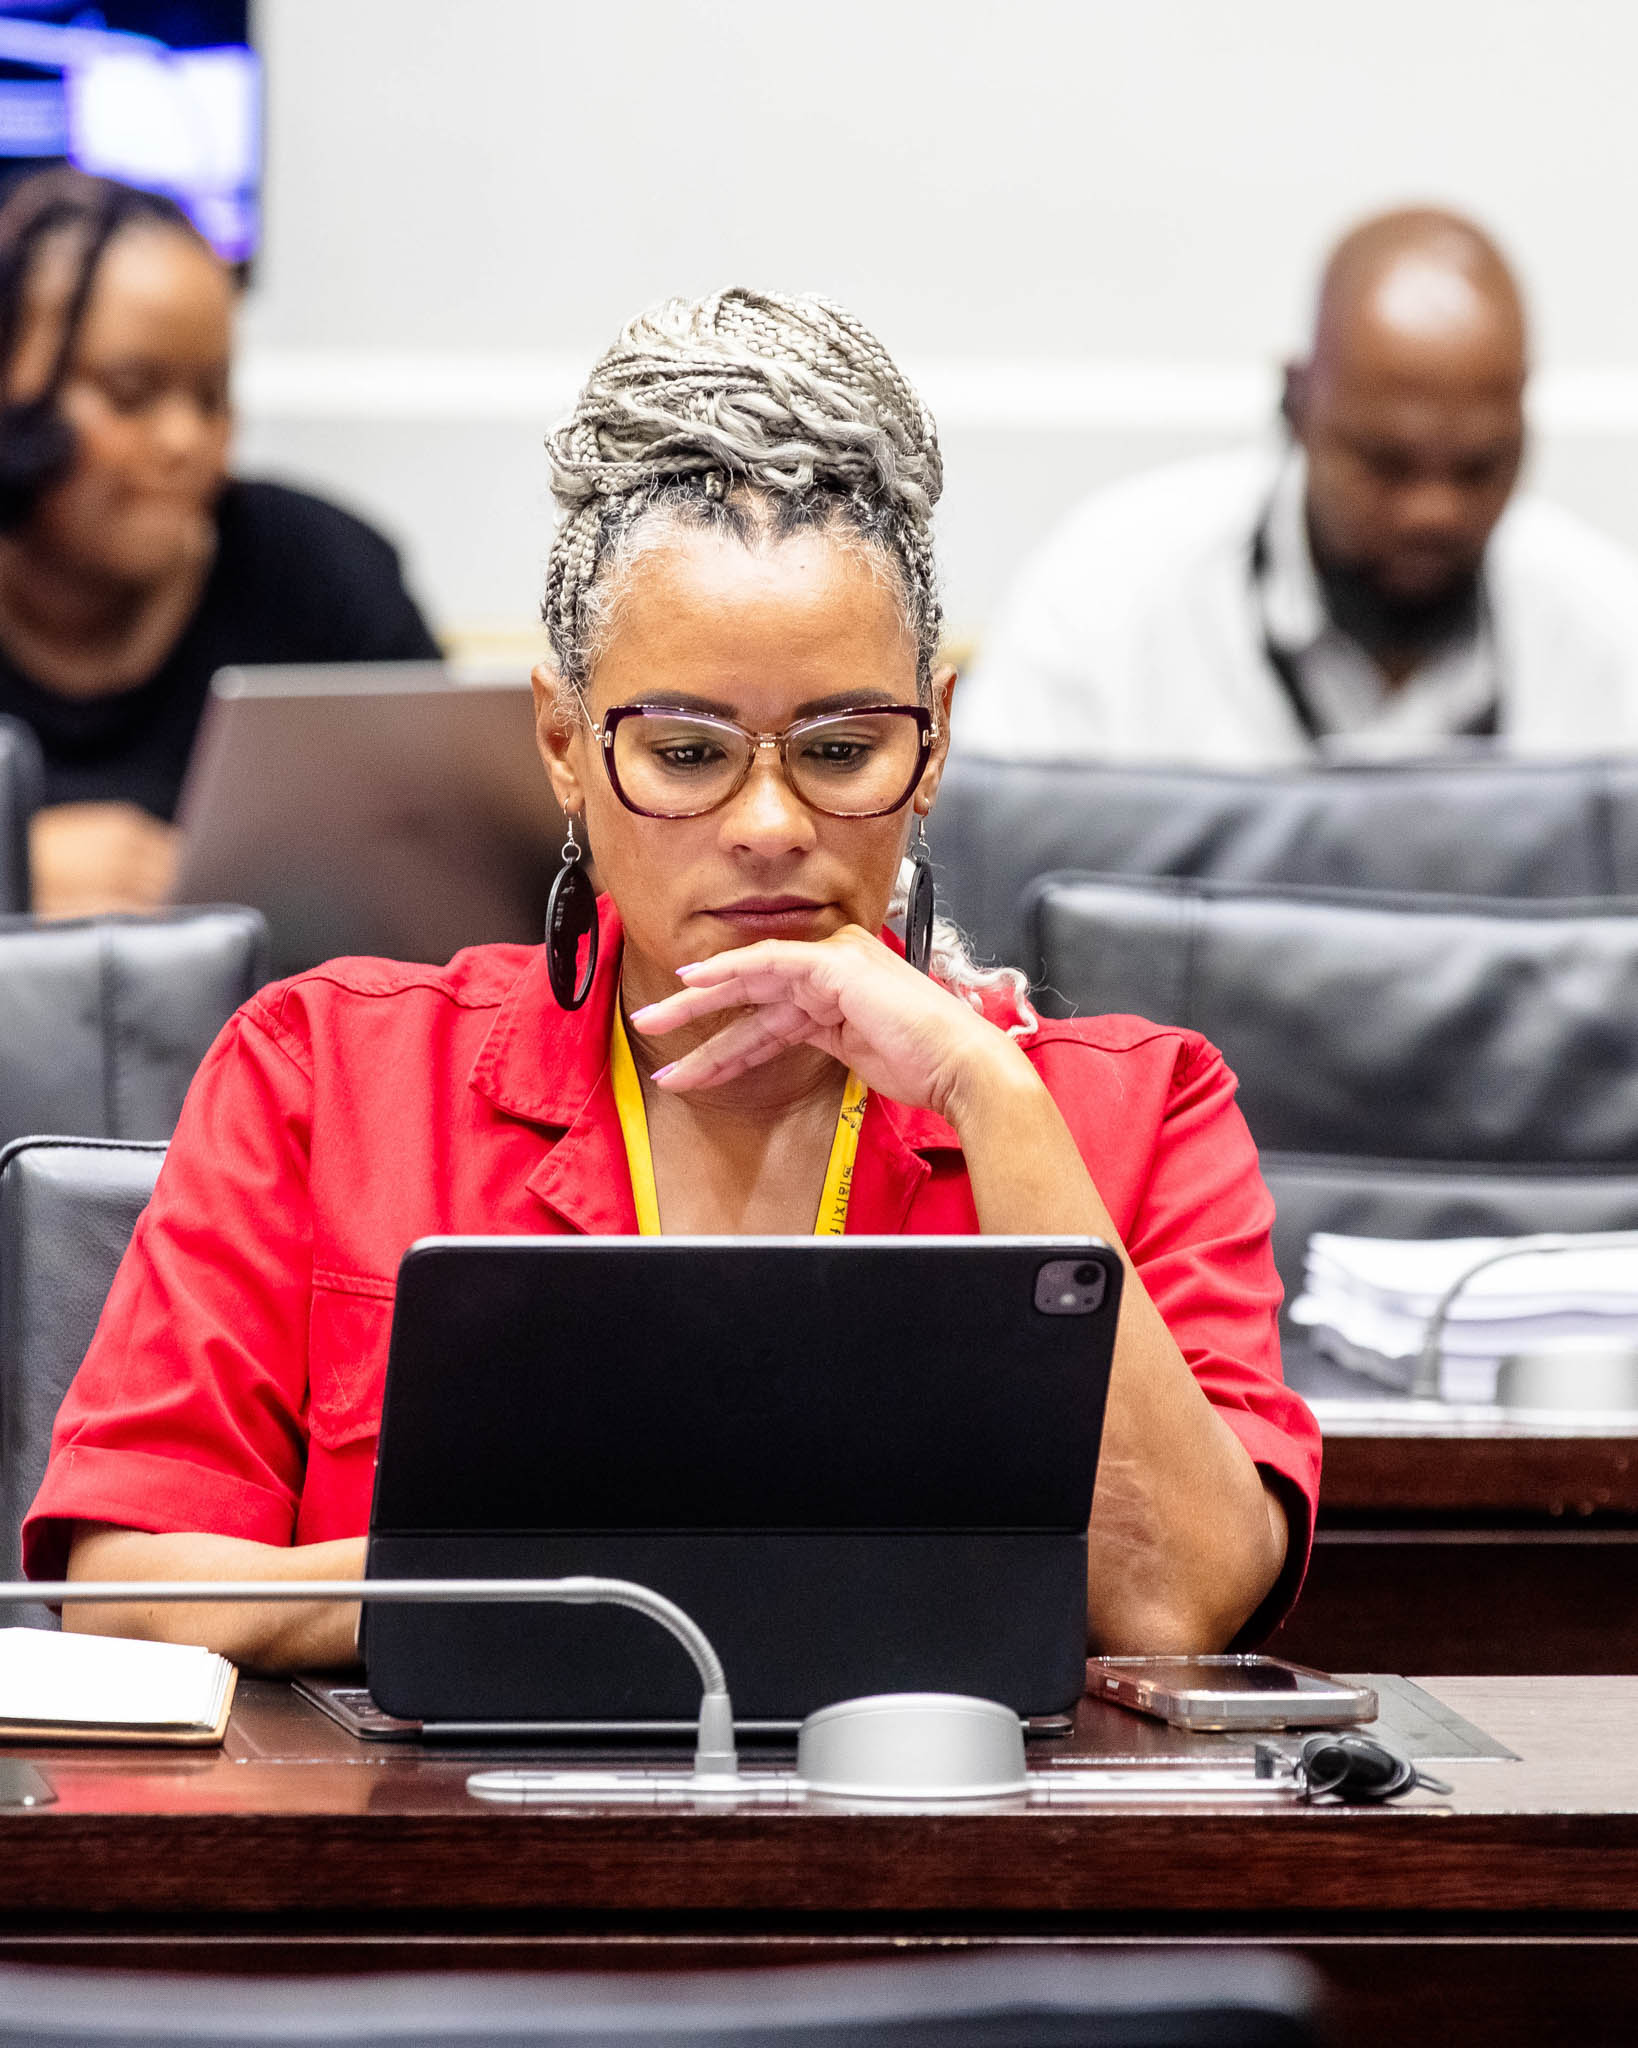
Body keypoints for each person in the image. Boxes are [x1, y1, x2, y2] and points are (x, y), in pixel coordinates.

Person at [23, 289, 1320, 1670]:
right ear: (564, 745)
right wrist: (589, 1578)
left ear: (932, 747)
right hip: (439, 1807)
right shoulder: (324, 1075)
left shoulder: (1140, 1111)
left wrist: (985, 1093)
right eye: (688, 754)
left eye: (840, 752)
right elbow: (130, 1589)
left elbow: (1180, 1605)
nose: (767, 825)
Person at [958, 207, 1638, 766]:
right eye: (1386, 463)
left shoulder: (1609, 629)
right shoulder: (1105, 595)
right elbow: (986, 863)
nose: (1432, 511)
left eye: (1479, 466)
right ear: (1295, 405)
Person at [0, 170, 439, 917]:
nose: (185, 439)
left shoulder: (322, 575)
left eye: (212, 397)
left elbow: (452, 849)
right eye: (129, 393)